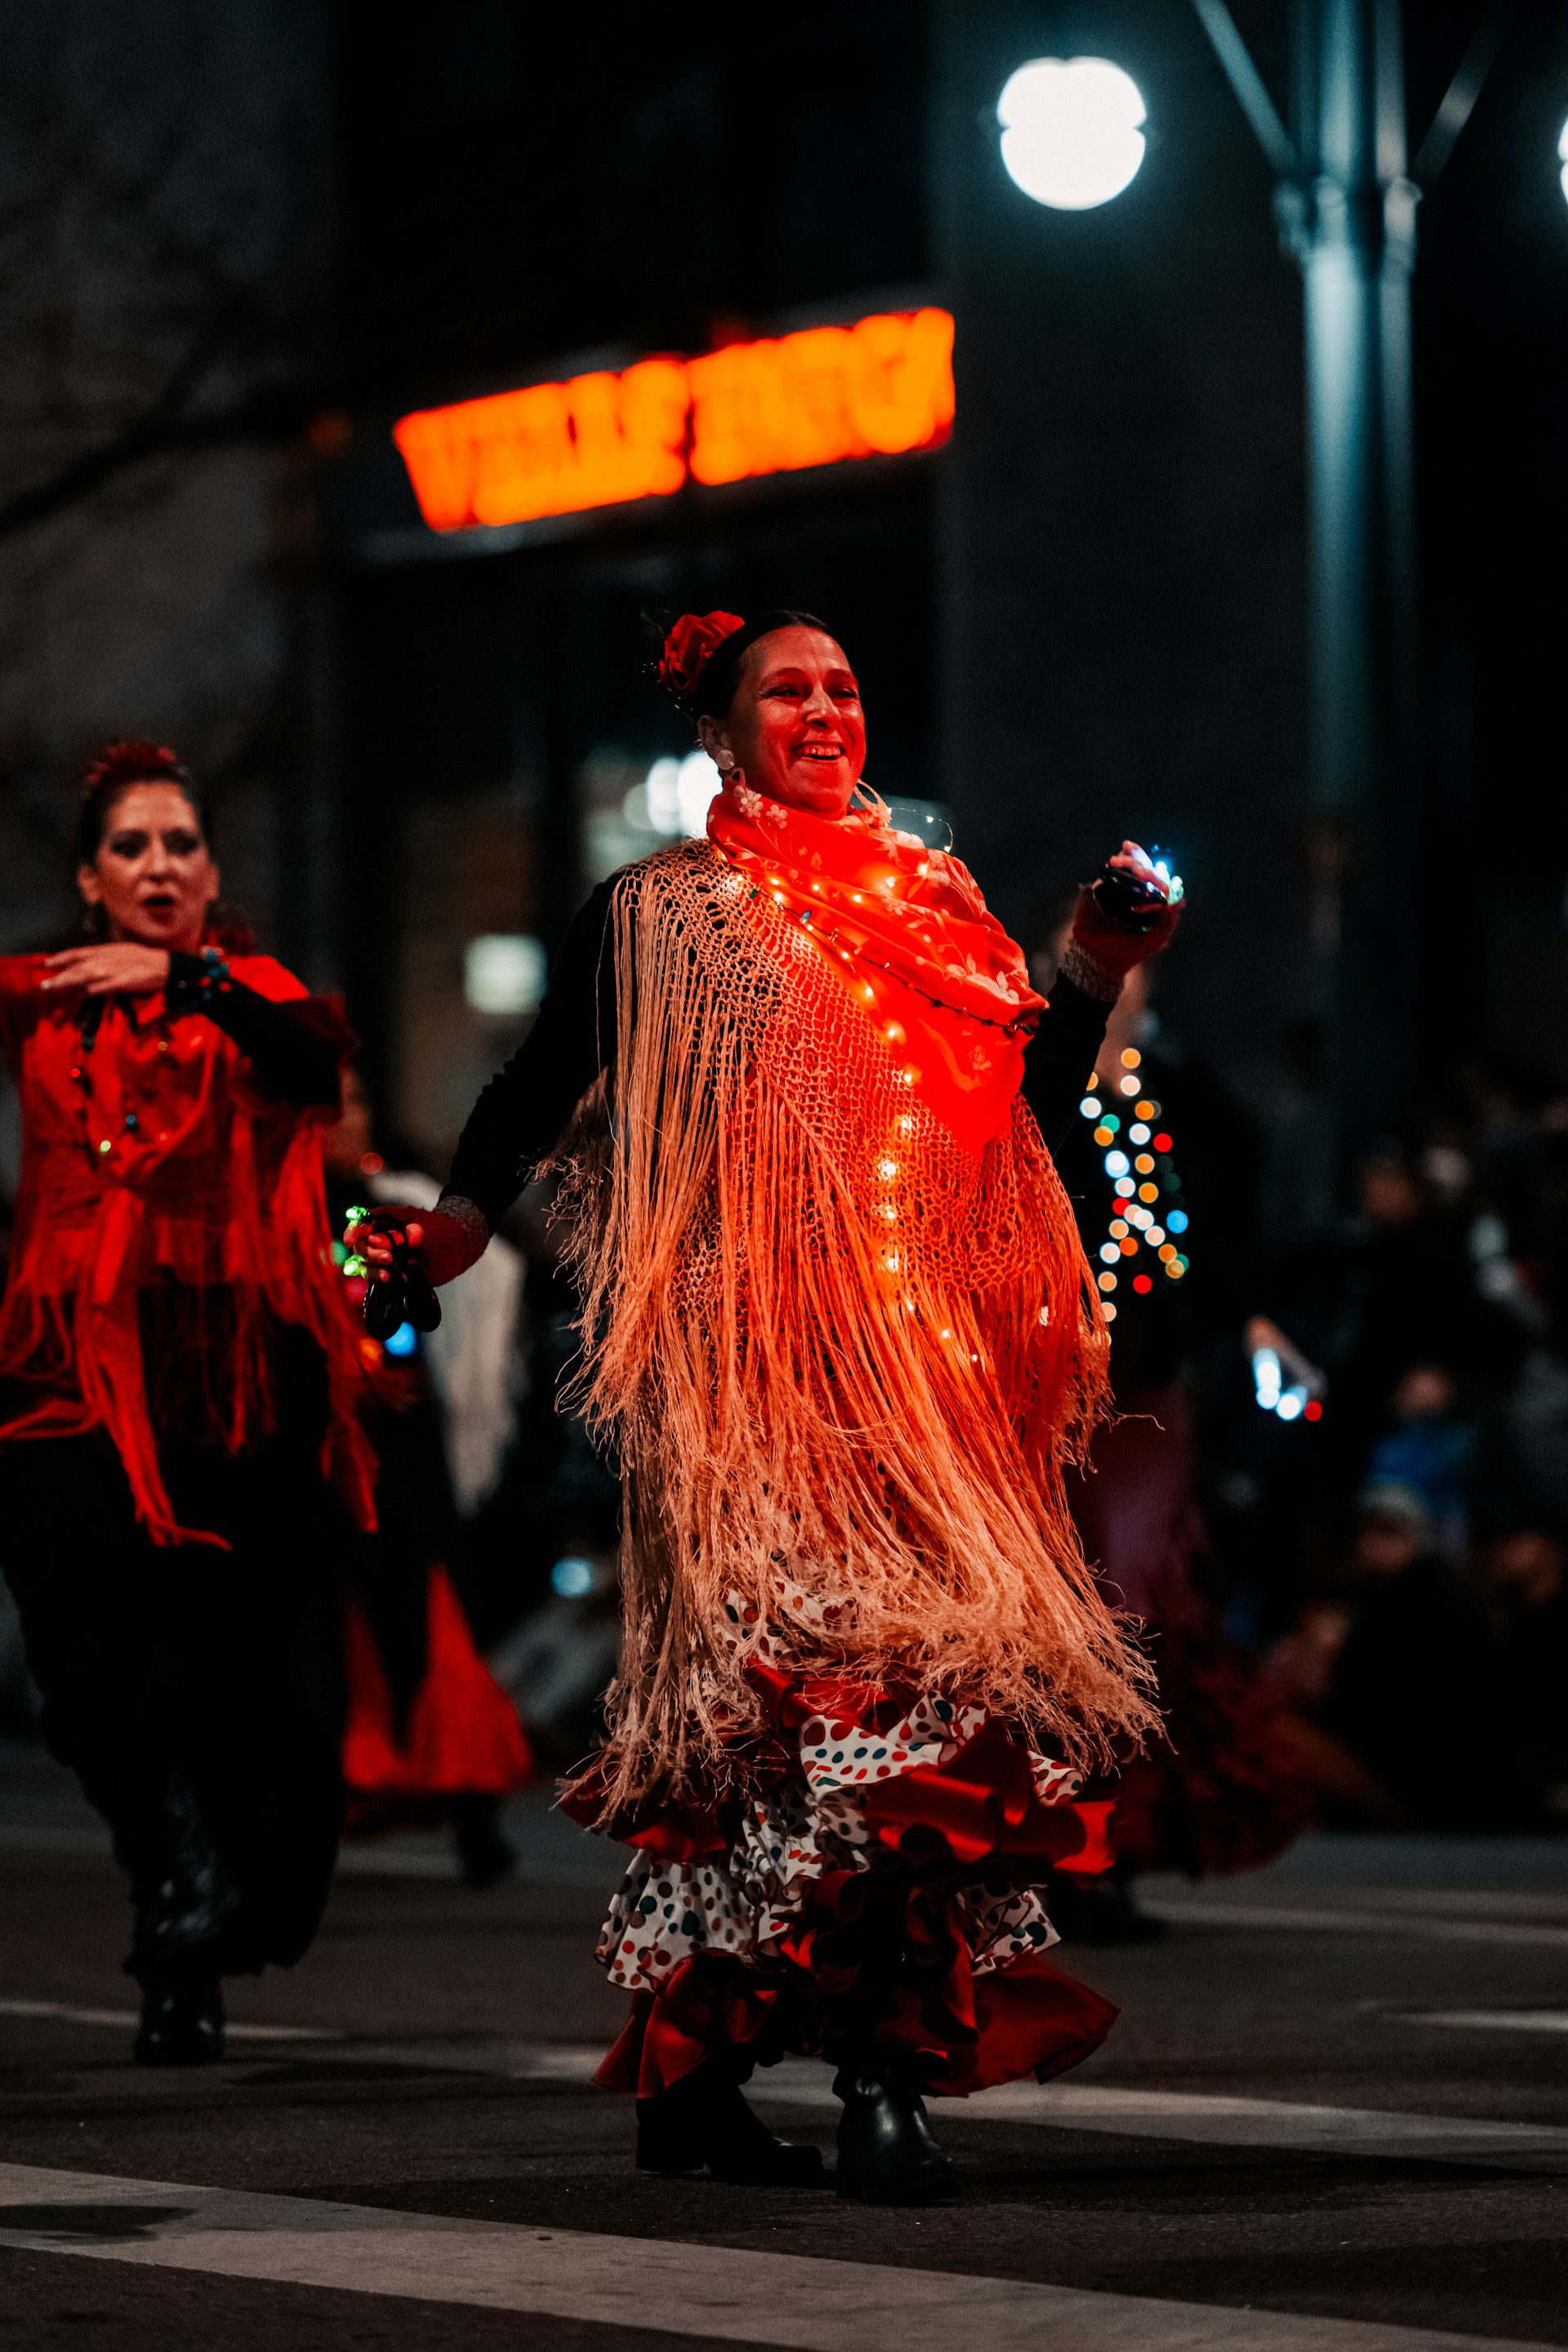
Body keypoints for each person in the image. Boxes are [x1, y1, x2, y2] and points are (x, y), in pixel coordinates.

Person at [353, 610, 1178, 2203]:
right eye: (788, 690)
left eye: (846, 688)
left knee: (931, 1720)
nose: (825, 710)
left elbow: (1029, 1105)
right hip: (761, 1397)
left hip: (930, 1400)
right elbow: (540, 1087)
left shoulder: (933, 900)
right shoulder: (667, 915)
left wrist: (1088, 966)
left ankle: (744, 2076)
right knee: (810, 1730)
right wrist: (454, 1224)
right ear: (726, 732)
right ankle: (841, 2082)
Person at [0, 741, 376, 2065]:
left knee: (242, 1684)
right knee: (88, 1661)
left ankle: (191, 1937)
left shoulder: (252, 990)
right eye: (132, 848)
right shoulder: (38, 1000)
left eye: (181, 845)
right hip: (73, 1372)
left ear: (211, 873)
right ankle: (172, 1877)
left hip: (233, 1372)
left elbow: (315, 1067)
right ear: (87, 881)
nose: (160, 866)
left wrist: (190, 979)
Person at [323, 1076, 533, 1886]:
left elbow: (474, 1281)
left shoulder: (384, 1204)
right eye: (334, 1103)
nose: (352, 1117)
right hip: (327, 1450)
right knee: (347, 1617)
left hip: (401, 1441)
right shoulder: (278, 1211)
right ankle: (352, 1780)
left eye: (358, 1100)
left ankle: (470, 1808)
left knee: (436, 1611)